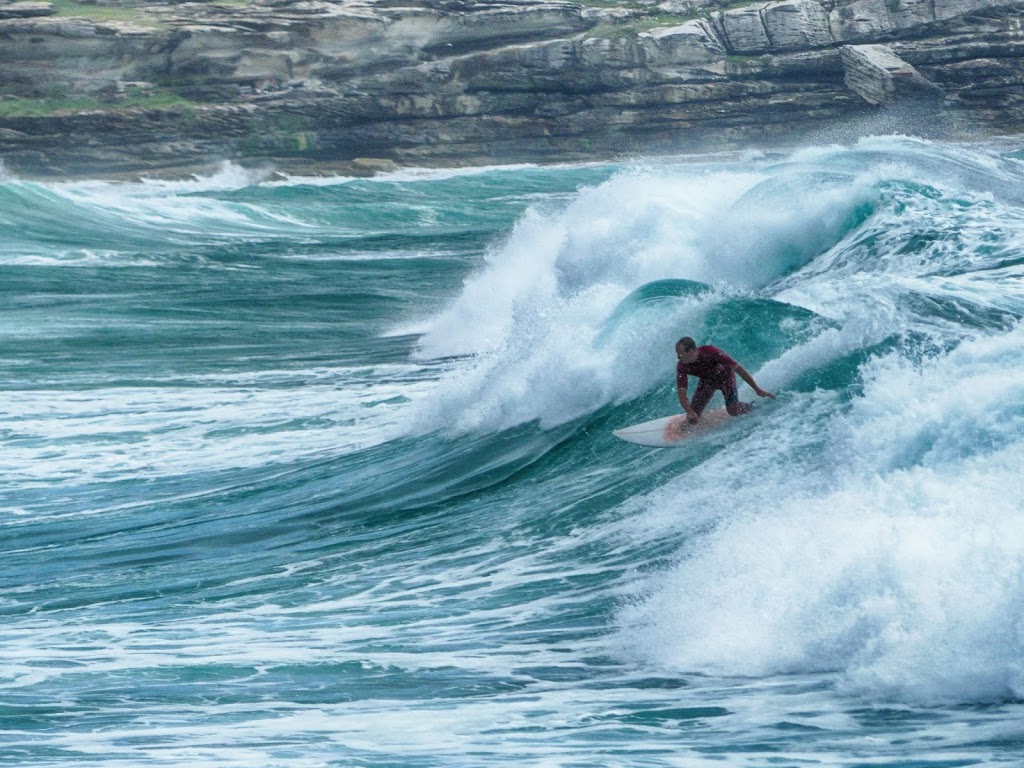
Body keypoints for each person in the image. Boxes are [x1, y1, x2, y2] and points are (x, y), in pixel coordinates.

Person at [675, 336, 775, 423]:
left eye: (681, 354)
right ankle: (700, 419)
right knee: (693, 419)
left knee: (733, 410)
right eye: (677, 354)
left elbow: (739, 370)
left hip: (725, 379)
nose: (678, 357)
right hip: (707, 383)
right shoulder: (682, 366)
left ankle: (754, 406)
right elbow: (681, 393)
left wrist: (757, 389)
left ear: (691, 351)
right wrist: (690, 412)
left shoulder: (711, 352)